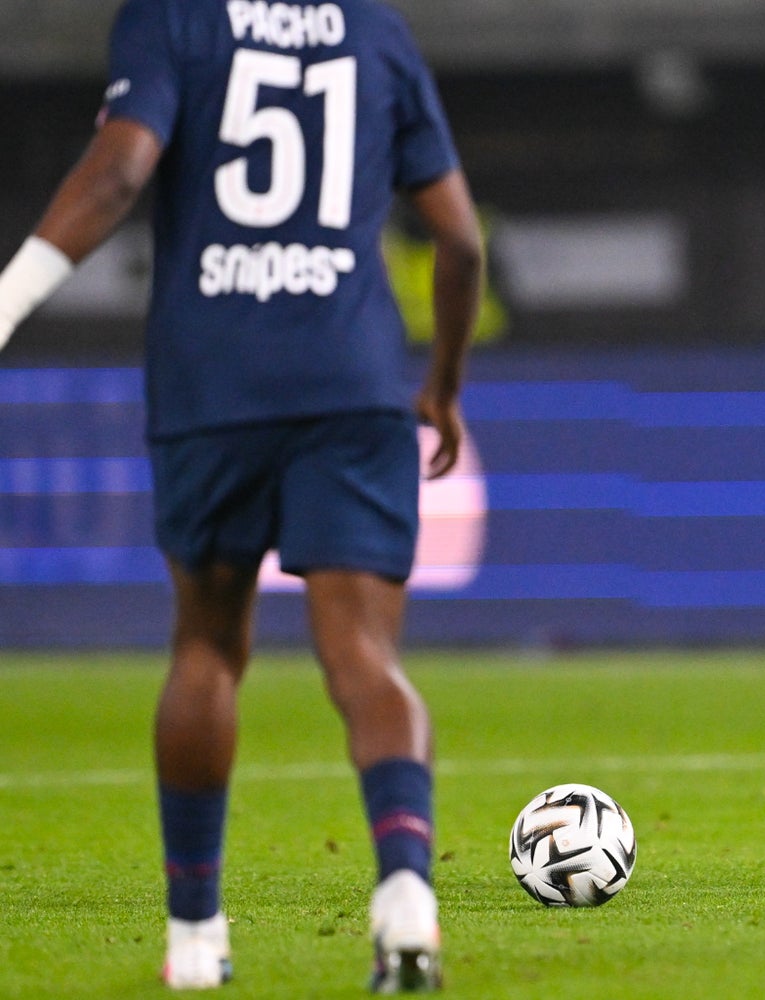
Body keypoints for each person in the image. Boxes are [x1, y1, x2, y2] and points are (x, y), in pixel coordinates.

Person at [0, 0, 482, 989]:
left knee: (207, 647)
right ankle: (403, 898)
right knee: (362, 655)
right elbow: (461, 241)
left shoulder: (168, 21)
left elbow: (123, 168)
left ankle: (194, 939)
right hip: (349, 383)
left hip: (212, 383)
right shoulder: (373, 32)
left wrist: (6, 300)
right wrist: (439, 384)